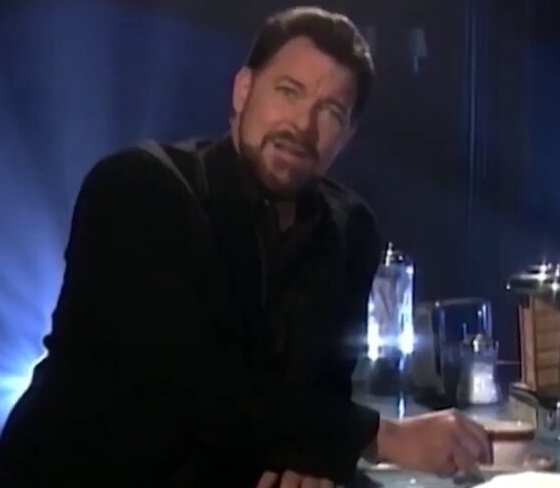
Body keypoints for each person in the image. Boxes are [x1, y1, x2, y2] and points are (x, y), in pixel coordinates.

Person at [0, 6, 491, 488]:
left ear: (347, 136)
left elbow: (321, 394)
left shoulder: (350, 229)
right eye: (288, 92)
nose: (302, 125)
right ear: (242, 90)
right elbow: (189, 388)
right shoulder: (138, 189)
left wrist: (312, 466)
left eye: (330, 112)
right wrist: (383, 437)